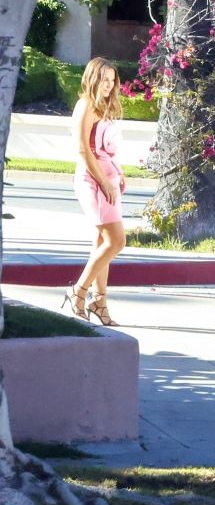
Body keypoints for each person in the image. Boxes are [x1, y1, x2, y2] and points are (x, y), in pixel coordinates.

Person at [65, 57, 127, 326]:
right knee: (117, 241)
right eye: (105, 80)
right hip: (92, 180)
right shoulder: (85, 106)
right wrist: (103, 181)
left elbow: (104, 149)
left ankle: (99, 301)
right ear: (93, 78)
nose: (109, 85)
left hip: (108, 178)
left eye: (112, 80)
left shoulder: (104, 106)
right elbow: (83, 149)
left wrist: (118, 173)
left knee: (102, 243)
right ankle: (78, 291)